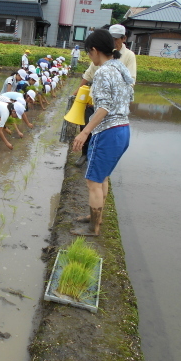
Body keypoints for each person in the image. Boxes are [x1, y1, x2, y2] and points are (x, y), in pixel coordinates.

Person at [71, 29, 133, 236]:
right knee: (102, 177)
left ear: (95, 50)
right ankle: (96, 217)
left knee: (93, 182)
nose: (89, 57)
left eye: (89, 53)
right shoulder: (120, 68)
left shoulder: (104, 71)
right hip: (123, 129)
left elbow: (104, 107)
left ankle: (93, 228)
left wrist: (84, 132)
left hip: (108, 131)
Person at [74, 24, 137, 167]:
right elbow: (88, 74)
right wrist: (77, 91)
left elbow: (129, 82)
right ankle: (86, 154)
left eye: (116, 39)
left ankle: (93, 156)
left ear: (123, 38)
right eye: (111, 38)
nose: (113, 41)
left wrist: (118, 99)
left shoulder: (115, 63)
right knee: (87, 126)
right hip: (107, 112)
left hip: (108, 115)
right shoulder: (108, 61)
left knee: (94, 180)